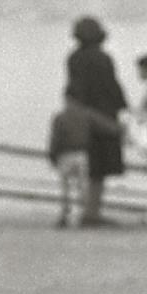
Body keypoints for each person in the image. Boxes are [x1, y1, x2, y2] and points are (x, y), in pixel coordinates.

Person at [64, 16, 128, 227]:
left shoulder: (73, 58)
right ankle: (93, 212)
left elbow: (73, 89)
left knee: (88, 167)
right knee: (99, 170)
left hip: (81, 115)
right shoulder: (103, 58)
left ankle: (85, 210)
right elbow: (112, 87)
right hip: (104, 115)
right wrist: (124, 109)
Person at [47, 95, 100, 228]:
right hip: (82, 154)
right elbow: (105, 125)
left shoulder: (60, 117)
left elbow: (55, 139)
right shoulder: (86, 115)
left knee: (66, 188)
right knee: (83, 187)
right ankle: (84, 215)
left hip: (65, 155)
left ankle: (65, 215)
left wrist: (52, 156)